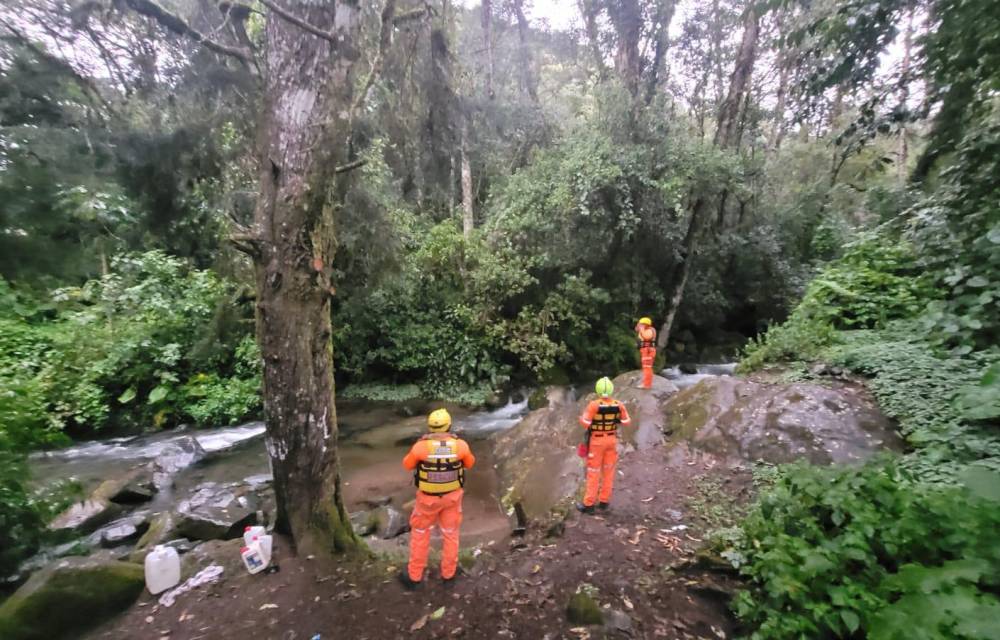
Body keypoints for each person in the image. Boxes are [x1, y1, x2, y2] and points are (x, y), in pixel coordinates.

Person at [399, 408, 476, 589]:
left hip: (427, 500)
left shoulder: (420, 447)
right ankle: (448, 575)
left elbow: (407, 464)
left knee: (419, 534)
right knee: (450, 534)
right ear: (449, 425)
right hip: (452, 499)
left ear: (430, 427)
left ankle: (414, 577)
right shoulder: (461, 445)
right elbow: (470, 463)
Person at [576, 377, 632, 514]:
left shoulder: (593, 405)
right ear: (612, 390)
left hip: (597, 442)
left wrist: (580, 418)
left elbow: (585, 423)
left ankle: (589, 505)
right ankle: (604, 502)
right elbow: (626, 422)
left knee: (593, 473)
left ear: (598, 390)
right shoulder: (619, 405)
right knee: (608, 471)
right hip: (611, 440)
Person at [635, 317, 657, 389]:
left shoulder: (649, 330)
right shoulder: (646, 330)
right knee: (646, 367)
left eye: (641, 324)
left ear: (646, 324)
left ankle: (646, 384)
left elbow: (646, 337)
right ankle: (646, 383)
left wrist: (641, 329)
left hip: (648, 351)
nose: (640, 325)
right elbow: (638, 331)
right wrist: (640, 328)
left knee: (647, 368)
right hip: (646, 350)